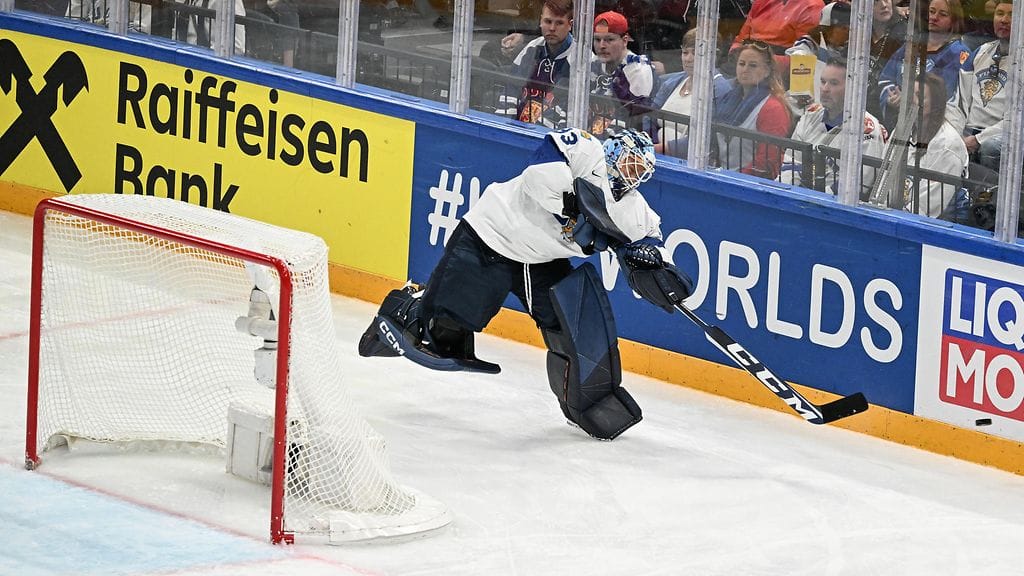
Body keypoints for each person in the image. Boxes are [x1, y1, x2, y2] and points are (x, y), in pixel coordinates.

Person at [358, 128, 694, 441]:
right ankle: (404, 307)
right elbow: (538, 176)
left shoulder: (633, 211)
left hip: (541, 261)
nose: (631, 174)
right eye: (629, 163)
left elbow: (652, 245)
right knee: (443, 332)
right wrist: (576, 210)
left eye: (639, 172)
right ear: (613, 151)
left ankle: (588, 401)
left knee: (574, 327)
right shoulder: (585, 150)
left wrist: (656, 268)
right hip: (493, 235)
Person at [779, 54, 887, 196]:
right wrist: (787, 193)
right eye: (823, 81)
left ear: (853, 87)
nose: (825, 89)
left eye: (834, 83)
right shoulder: (811, 114)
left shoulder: (867, 130)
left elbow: (857, 186)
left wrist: (815, 200)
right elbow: (792, 160)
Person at [877, 0, 970, 130]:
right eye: (932, 12)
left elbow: (945, 94)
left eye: (942, 14)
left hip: (929, 129)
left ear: (954, 20)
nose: (934, 17)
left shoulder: (958, 53)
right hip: (898, 123)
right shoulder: (911, 45)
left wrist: (909, 101)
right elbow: (886, 78)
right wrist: (891, 98)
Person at [713, 40, 794, 180]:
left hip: (749, 185)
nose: (745, 69)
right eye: (741, 64)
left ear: (767, 71)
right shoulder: (725, 99)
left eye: (753, 65)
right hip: (721, 178)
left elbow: (766, 163)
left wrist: (734, 180)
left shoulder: (773, 108)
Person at [647, 28, 732, 158]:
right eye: (685, 52)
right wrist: (646, 144)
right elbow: (649, 117)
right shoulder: (672, 81)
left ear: (713, 55)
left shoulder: (720, 90)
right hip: (654, 154)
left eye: (696, 53)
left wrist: (653, 150)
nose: (688, 59)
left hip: (687, 161)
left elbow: (706, 140)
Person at [947, 1, 1012, 171]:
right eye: (1000, 14)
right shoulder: (981, 51)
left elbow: (1017, 121)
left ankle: (990, 197)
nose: (1004, 20)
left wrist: (978, 140)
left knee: (990, 148)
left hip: (998, 137)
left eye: (1012, 15)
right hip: (968, 131)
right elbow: (960, 99)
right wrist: (955, 132)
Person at [495, 0, 575, 128]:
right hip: (518, 126)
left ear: (570, 25)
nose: (552, 28)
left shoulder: (579, 59)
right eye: (548, 22)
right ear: (541, 21)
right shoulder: (532, 47)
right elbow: (511, 89)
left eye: (559, 23)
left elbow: (567, 111)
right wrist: (506, 126)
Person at [905, 73, 970, 219]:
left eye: (919, 96)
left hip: (944, 223)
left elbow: (926, 208)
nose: (912, 100)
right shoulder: (904, 129)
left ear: (935, 103)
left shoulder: (949, 144)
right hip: (903, 213)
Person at [589, 11, 658, 137]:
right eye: (597, 39)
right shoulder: (594, 63)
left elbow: (636, 119)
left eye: (609, 39)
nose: (601, 46)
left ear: (625, 40)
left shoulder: (639, 69)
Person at [728, 0, 825, 78]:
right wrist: (736, 54)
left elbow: (804, 58)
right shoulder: (761, 2)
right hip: (744, 66)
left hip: (777, 78)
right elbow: (740, 40)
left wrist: (763, 63)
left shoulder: (812, 6)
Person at [866, 0, 909, 122]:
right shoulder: (860, 32)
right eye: (875, 2)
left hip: (883, 113)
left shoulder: (904, 35)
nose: (884, 5)